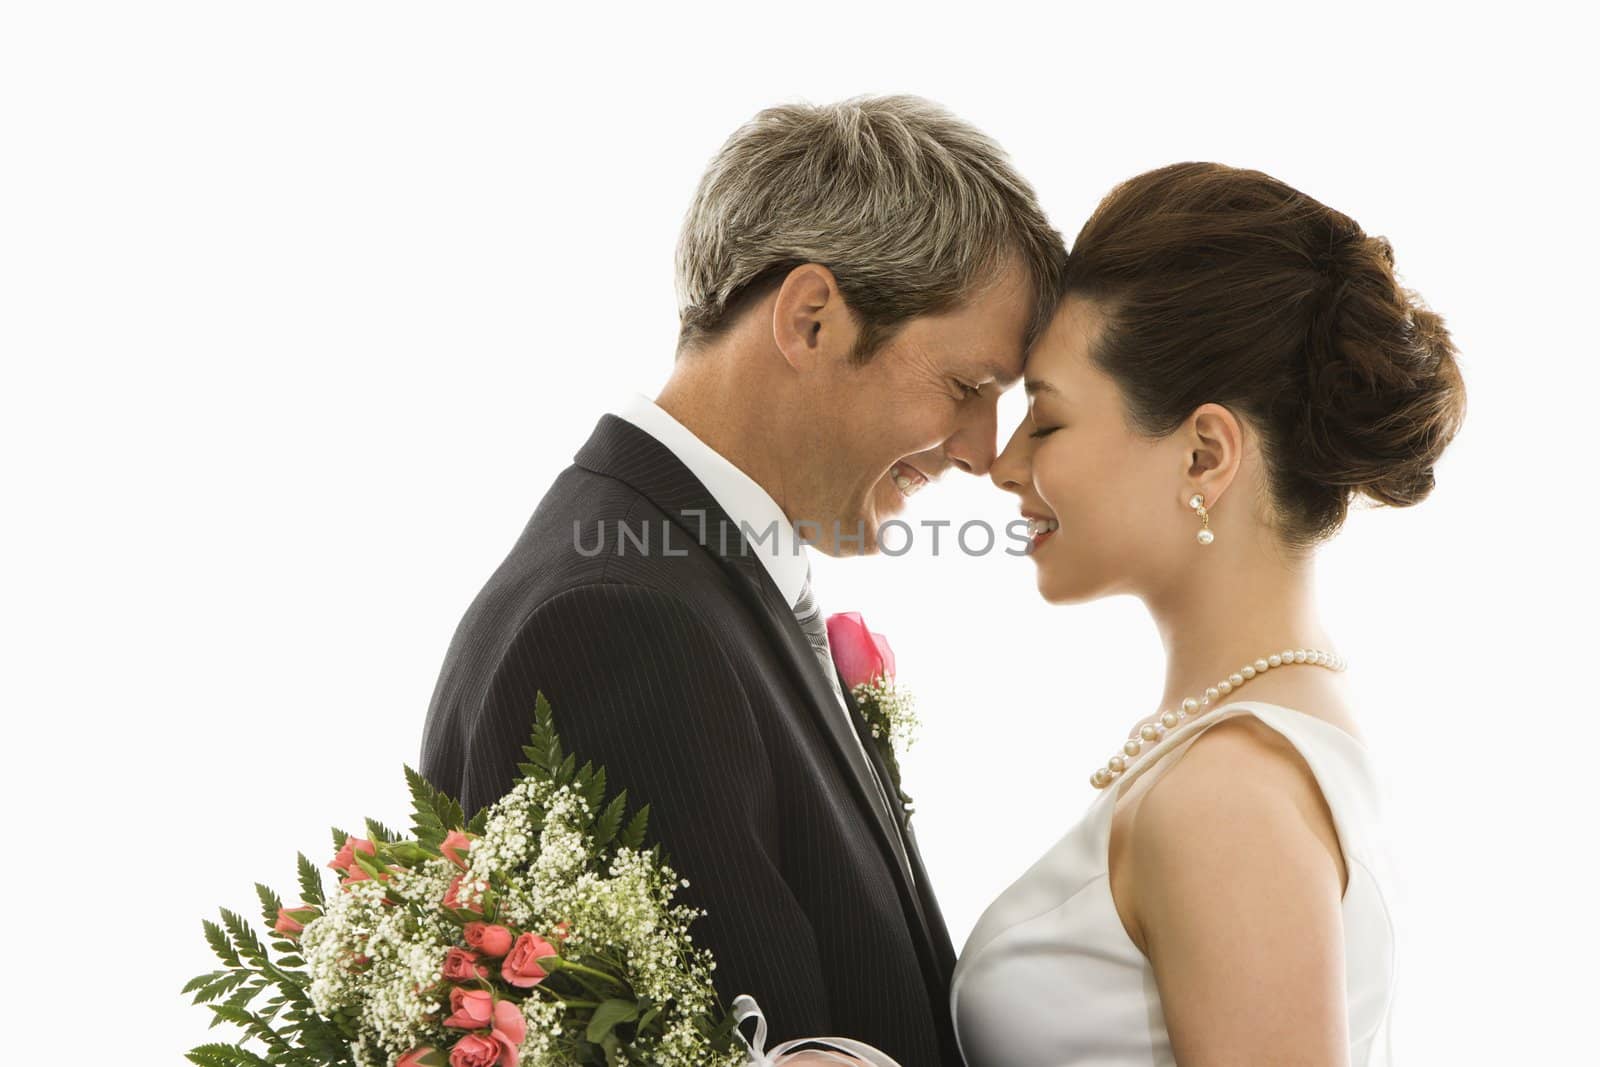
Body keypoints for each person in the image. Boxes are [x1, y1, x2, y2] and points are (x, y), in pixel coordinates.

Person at [418, 94, 1065, 1066]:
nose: (983, 450)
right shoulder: (620, 623)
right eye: (967, 387)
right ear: (810, 318)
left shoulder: (679, 575)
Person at [952, 162, 1467, 1065]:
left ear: (1203, 455)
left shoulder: (1226, 795)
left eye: (1048, 421)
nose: (1001, 466)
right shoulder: (1259, 743)